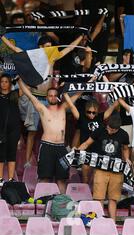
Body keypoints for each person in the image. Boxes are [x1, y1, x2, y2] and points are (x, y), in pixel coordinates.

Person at [1, 33, 83, 167]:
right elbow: (16, 49)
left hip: (49, 99)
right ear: (40, 47)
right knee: (32, 132)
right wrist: (2, 36)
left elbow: (68, 49)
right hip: (35, 98)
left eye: (51, 46)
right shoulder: (33, 56)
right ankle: (27, 162)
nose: (50, 49)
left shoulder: (52, 56)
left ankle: (63, 152)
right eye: (47, 47)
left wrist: (80, 36)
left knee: (59, 126)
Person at [17, 79, 80, 194]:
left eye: (55, 96)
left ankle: (62, 204)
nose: (53, 97)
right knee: (45, 178)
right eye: (50, 96)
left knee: (61, 179)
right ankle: (43, 203)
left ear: (58, 97)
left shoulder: (63, 108)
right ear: (46, 97)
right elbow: (29, 94)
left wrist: (90, 82)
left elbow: (78, 94)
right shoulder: (42, 109)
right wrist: (19, 80)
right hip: (47, 147)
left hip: (61, 148)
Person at [77, 114, 130, 222]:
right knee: (98, 198)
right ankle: (99, 223)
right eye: (109, 128)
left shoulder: (124, 134)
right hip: (100, 170)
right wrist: (77, 151)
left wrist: (127, 159)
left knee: (113, 199)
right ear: (107, 124)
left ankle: (113, 224)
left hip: (116, 171)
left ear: (118, 128)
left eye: (113, 130)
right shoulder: (99, 130)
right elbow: (86, 143)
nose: (110, 131)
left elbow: (125, 148)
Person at [69, 99, 119, 184]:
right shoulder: (81, 117)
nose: (91, 114)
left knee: (96, 173)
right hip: (86, 148)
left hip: (98, 148)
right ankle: (85, 190)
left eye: (94, 112)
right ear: (85, 110)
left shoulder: (100, 117)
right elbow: (71, 105)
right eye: (89, 112)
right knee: (85, 170)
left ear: (97, 111)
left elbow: (113, 106)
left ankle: (92, 190)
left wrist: (120, 92)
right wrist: (66, 93)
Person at [0, 74, 21, 184]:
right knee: (1, 154)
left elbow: (23, 90)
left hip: (14, 129)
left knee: (12, 154)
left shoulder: (14, 95)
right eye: (2, 81)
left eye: (6, 81)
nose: (3, 83)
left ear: (9, 83)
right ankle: (0, 179)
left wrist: (19, 79)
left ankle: (11, 179)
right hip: (1, 130)